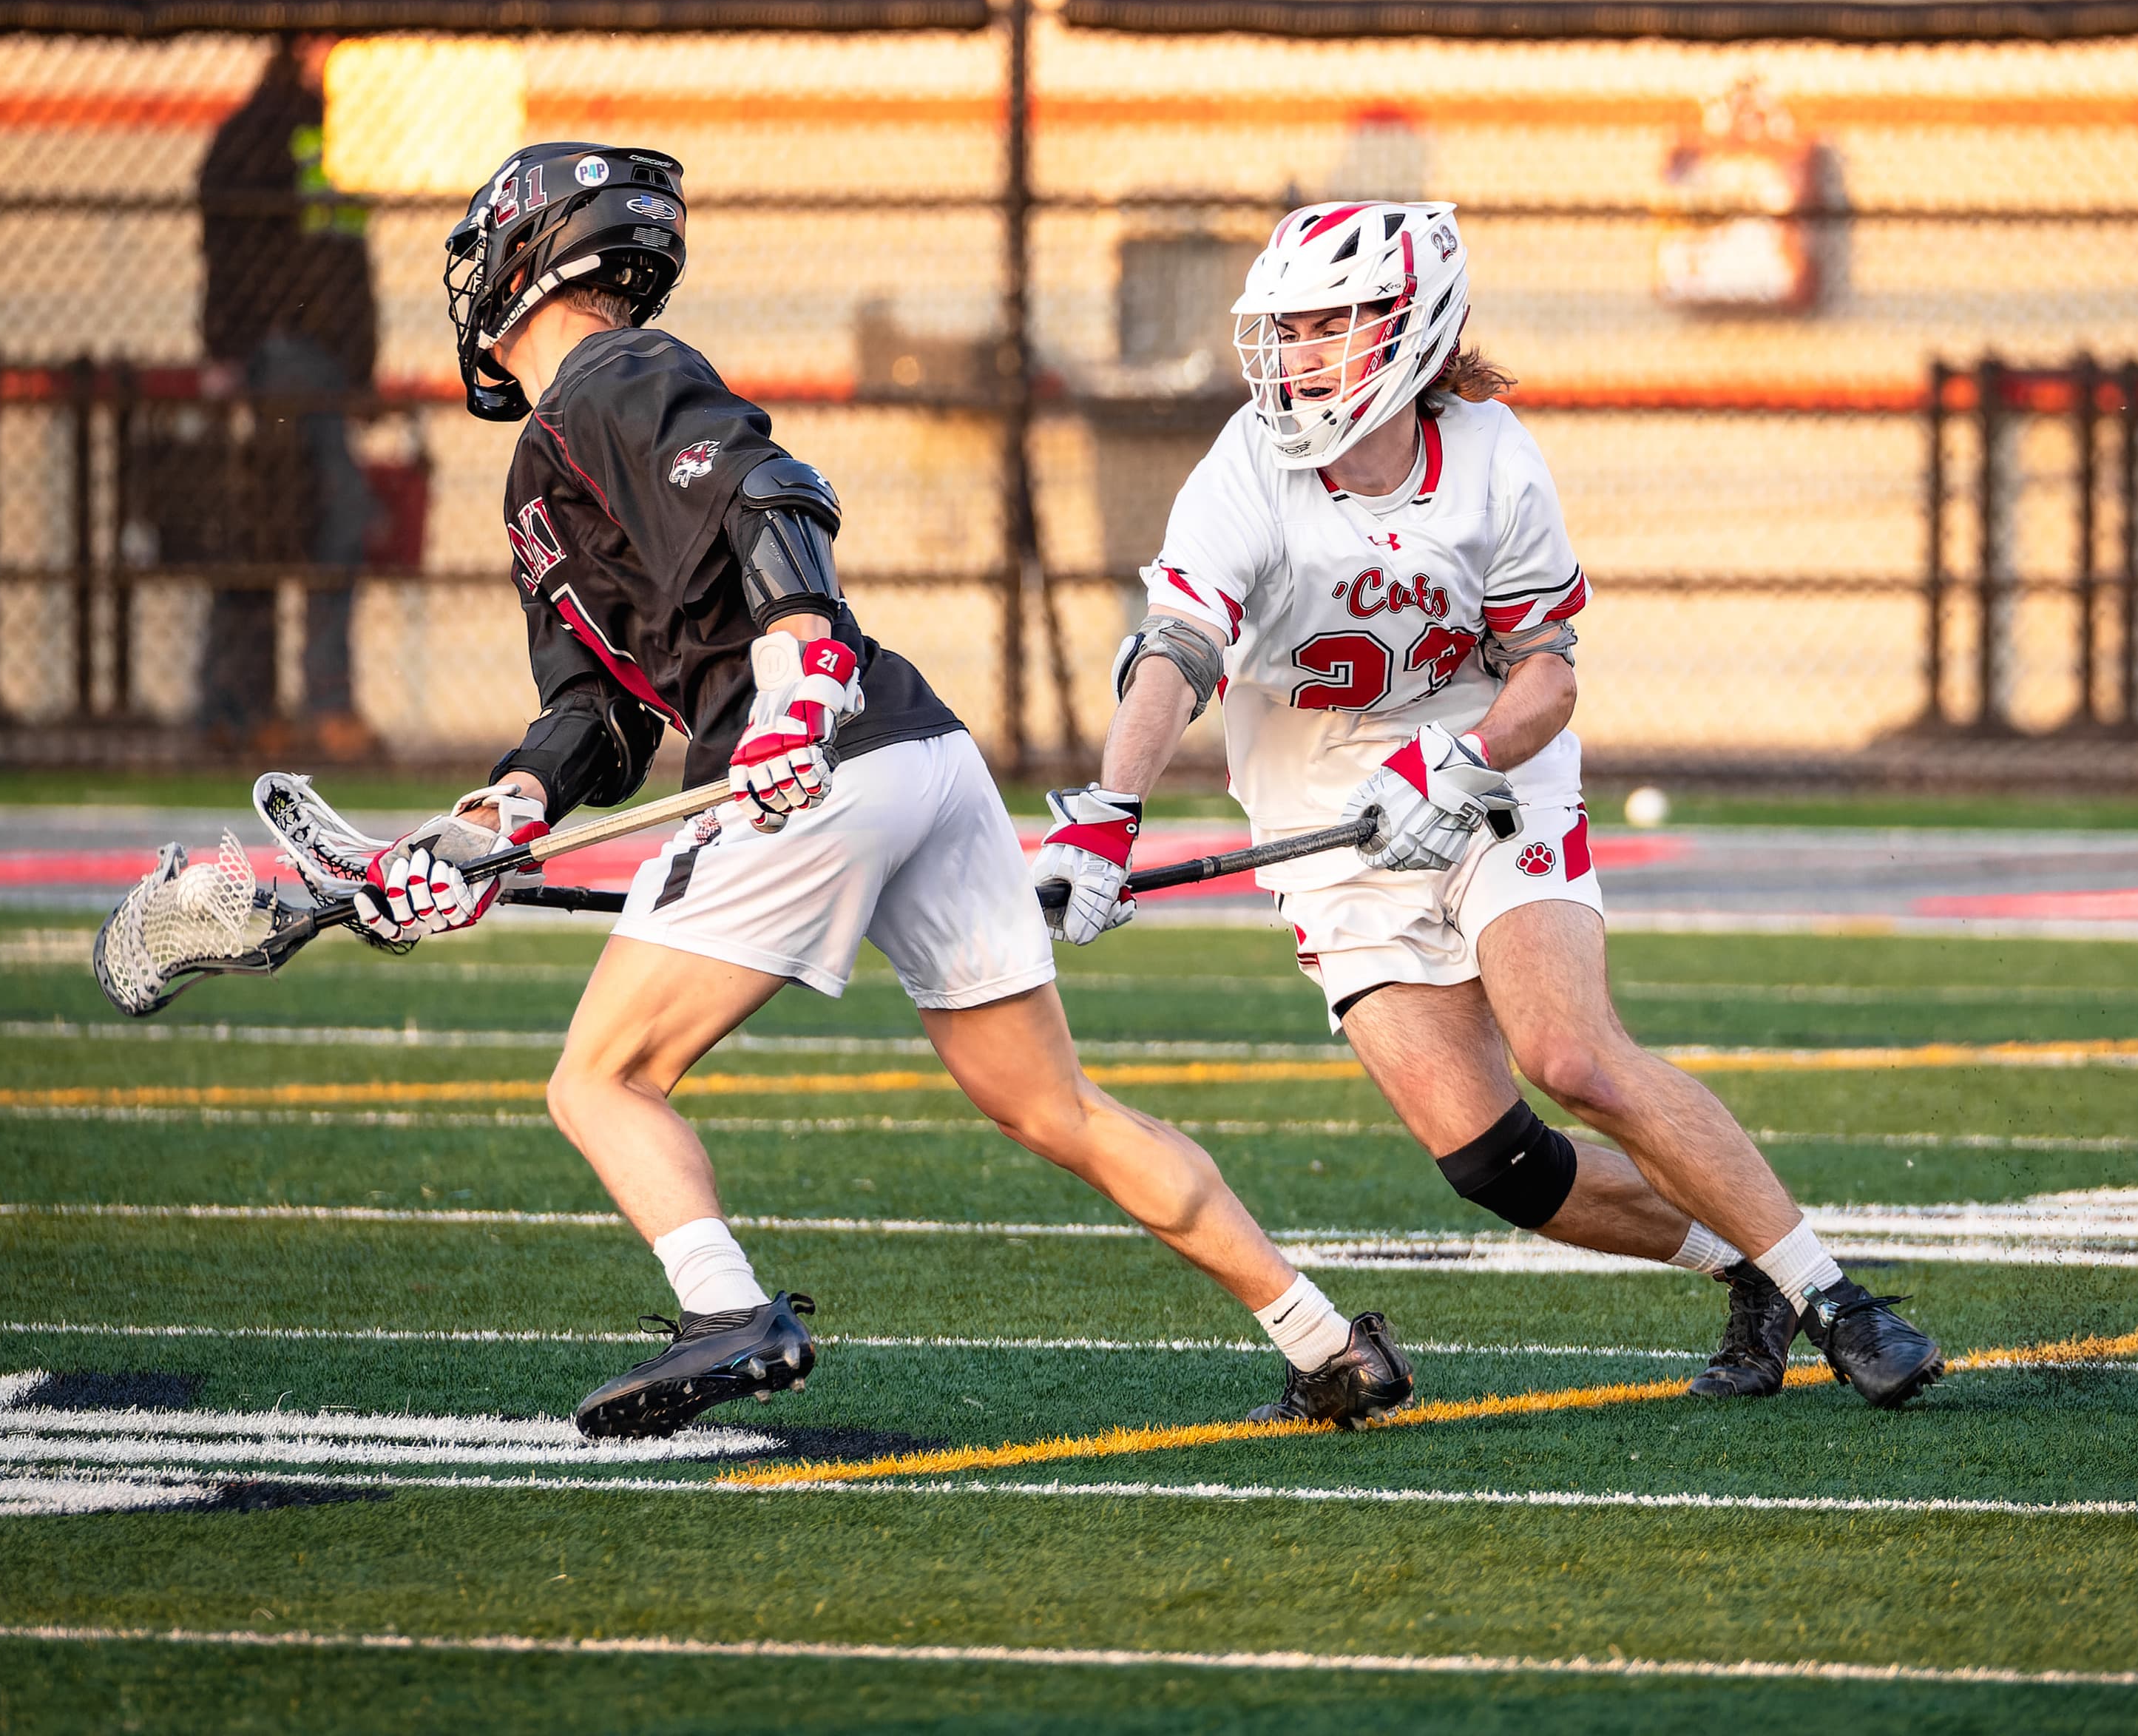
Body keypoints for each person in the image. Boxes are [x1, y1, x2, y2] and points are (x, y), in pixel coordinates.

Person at [350, 143, 1411, 1437]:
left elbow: (770, 493)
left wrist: (798, 681)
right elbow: (594, 720)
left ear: (532, 250)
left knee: (600, 1078)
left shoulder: (612, 376)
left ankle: (725, 1311)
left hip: (810, 753)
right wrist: (486, 826)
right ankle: (1323, 1341)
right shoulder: (550, 460)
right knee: (1052, 1105)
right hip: (914, 751)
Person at [1037, 201, 1943, 1408]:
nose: (1296, 354)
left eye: (1325, 326)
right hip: (1322, 816)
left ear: (1407, 330)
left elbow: (1546, 677)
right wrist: (1107, 811)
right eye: (1286, 330)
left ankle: (1838, 1301)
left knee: (1572, 1054)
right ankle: (1748, 1267)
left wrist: (1457, 764)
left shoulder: (1490, 455)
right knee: (1491, 1161)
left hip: (1492, 769)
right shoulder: (1245, 467)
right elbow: (1178, 650)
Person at [194, 33, 380, 762]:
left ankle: (248, 704)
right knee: (289, 524)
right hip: (282, 356)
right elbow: (229, 246)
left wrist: (360, 366)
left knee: (289, 526)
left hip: (321, 360)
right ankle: (269, 705)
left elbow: (349, 258)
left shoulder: (343, 131)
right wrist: (230, 347)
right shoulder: (265, 130)